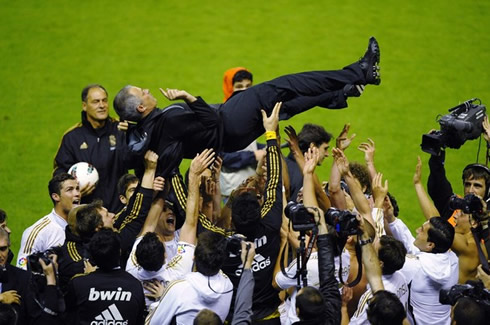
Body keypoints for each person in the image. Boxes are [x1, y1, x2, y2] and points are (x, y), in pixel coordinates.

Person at [113, 37, 381, 178]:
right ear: (139, 108)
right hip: (229, 122)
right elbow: (212, 121)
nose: (147, 91)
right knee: (285, 85)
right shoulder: (167, 120)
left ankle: (342, 92)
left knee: (283, 103)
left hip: (232, 136)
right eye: (142, 93)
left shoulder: (149, 133)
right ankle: (359, 71)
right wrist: (188, 97)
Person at [53, 84, 130, 213]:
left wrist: (132, 134)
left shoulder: (120, 129)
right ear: (84, 106)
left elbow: (136, 160)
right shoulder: (72, 137)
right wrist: (73, 192)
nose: (102, 105)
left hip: (118, 212)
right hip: (86, 215)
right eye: (96, 101)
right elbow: (59, 173)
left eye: (104, 100)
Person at [387, 212, 458, 324]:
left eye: (422, 230)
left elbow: (384, 256)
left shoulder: (414, 266)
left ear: (430, 245)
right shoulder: (453, 260)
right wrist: (392, 220)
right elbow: (417, 251)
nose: (417, 230)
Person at [65, 228, 145, 324]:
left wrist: (87, 277)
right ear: (119, 252)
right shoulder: (135, 285)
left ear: (92, 255)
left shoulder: (78, 284)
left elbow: (68, 317)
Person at [219, 67, 266, 202]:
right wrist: (253, 156)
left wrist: (264, 148)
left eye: (248, 86)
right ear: (229, 88)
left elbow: (247, 143)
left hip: (251, 186)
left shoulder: (249, 113)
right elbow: (222, 156)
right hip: (232, 190)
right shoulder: (222, 116)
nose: (245, 90)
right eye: (239, 86)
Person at [17, 173, 80, 269]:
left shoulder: (86, 225)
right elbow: (23, 270)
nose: (77, 194)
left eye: (77, 188)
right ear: (56, 197)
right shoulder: (38, 232)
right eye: (70, 190)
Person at [285, 123, 333, 202]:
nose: (327, 154)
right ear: (313, 146)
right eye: (325, 149)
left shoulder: (285, 164)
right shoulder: (304, 177)